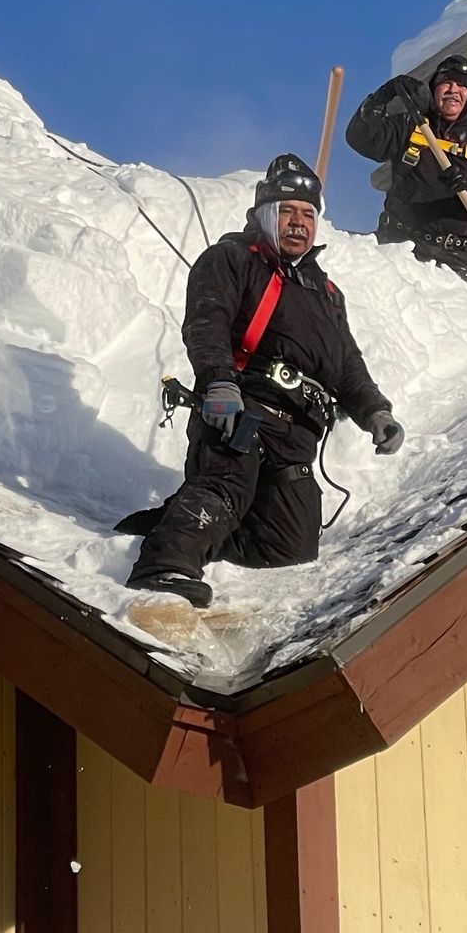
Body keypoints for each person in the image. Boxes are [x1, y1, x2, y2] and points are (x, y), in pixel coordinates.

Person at [124, 153, 403, 610]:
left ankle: (188, 525)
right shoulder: (232, 260)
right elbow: (207, 322)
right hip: (244, 409)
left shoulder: (326, 293)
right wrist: (219, 383)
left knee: (288, 549)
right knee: (228, 479)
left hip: (297, 435)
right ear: (264, 215)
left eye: (308, 214)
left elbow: (346, 362)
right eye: (288, 211)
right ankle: (165, 565)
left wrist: (375, 410)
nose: (299, 223)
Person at [344, 51, 467, 289]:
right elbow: (360, 137)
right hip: (399, 247)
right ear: (434, 89)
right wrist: (381, 98)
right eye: (447, 82)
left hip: (454, 262)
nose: (453, 89)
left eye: (462, 85)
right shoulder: (410, 125)